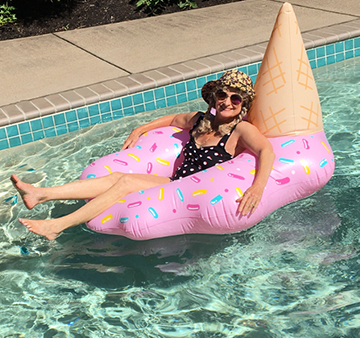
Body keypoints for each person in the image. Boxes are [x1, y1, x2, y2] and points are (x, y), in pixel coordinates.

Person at [12, 70, 275, 241]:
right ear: (213, 98)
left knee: (125, 183)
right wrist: (141, 129)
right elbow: (173, 118)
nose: (226, 101)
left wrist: (258, 187)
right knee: (117, 177)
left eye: (235, 98)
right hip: (176, 182)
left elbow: (266, 150)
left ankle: (58, 225)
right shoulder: (200, 119)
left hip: (196, 192)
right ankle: (42, 194)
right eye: (222, 94)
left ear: (243, 104)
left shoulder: (240, 130)